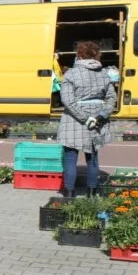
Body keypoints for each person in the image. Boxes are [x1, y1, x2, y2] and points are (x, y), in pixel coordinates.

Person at [58, 41, 116, 198]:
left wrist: (85, 118)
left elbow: (67, 101)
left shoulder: (71, 74)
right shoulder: (104, 74)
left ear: (79, 55)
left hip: (74, 120)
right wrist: (100, 116)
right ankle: (91, 193)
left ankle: (69, 194)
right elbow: (112, 98)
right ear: (97, 55)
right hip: (97, 120)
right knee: (93, 157)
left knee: (70, 157)